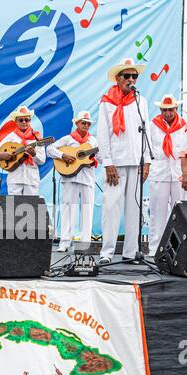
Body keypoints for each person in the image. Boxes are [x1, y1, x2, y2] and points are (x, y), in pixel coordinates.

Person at [97, 58, 151, 264]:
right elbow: (103, 135)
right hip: (116, 164)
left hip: (136, 162)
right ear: (118, 79)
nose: (131, 79)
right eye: (126, 76)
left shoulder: (141, 101)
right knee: (111, 207)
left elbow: (145, 134)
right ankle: (107, 252)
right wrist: (108, 163)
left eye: (134, 76)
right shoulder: (107, 102)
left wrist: (147, 162)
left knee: (134, 209)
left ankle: (131, 252)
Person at [47, 111, 98, 252]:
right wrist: (63, 155)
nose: (86, 125)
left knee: (87, 210)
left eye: (88, 123)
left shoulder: (93, 142)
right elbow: (49, 149)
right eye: (83, 122)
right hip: (70, 177)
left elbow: (100, 156)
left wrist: (94, 159)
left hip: (87, 179)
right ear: (77, 123)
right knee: (68, 209)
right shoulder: (68, 139)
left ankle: (85, 242)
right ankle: (64, 242)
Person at [149, 95, 186, 256]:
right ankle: (155, 249)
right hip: (159, 173)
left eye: (171, 109)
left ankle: (179, 250)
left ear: (176, 109)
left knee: (180, 213)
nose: (168, 113)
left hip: (179, 174)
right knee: (158, 213)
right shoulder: (152, 126)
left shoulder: (184, 126)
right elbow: (147, 149)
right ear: (160, 110)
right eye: (165, 110)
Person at [0, 106, 46, 195]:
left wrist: (34, 154)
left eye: (26, 120)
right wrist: (1, 155)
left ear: (30, 121)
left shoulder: (37, 138)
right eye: (21, 120)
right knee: (12, 206)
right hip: (14, 178)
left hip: (31, 179)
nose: (24, 122)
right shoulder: (11, 136)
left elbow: (42, 160)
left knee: (30, 207)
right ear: (16, 121)